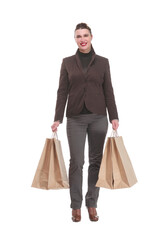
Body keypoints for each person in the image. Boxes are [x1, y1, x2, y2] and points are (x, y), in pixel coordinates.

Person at [51, 23, 119, 222]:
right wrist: (57, 118)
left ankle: (92, 203)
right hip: (75, 118)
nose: (82, 39)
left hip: (99, 117)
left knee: (96, 162)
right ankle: (75, 206)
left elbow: (109, 90)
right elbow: (62, 91)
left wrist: (114, 116)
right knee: (77, 162)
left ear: (91, 37)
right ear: (75, 39)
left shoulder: (103, 62)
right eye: (78, 36)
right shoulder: (67, 62)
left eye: (85, 35)